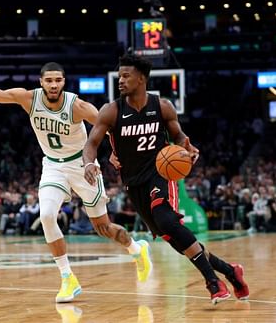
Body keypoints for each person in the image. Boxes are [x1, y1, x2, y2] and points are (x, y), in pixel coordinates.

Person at [0, 50, 152, 303]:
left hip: (81, 166)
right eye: (49, 80)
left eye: (58, 80)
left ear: (64, 82)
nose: (53, 85)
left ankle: (136, 249)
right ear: (41, 82)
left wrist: (115, 152)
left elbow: (110, 126)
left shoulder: (77, 106)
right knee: (45, 215)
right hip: (53, 166)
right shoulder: (28, 99)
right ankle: (68, 278)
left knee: (104, 228)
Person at [83, 54, 249, 305]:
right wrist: (88, 163)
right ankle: (229, 270)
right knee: (173, 238)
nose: (121, 80)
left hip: (160, 171)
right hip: (133, 181)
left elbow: (179, 136)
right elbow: (91, 143)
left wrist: (188, 149)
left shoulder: (163, 106)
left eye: (126, 76)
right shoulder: (112, 110)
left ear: (142, 79)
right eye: (120, 76)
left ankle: (213, 283)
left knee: (167, 220)